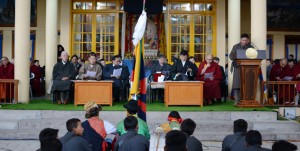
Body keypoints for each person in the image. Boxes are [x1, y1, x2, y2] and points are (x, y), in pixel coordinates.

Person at [229, 34, 253, 105]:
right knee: (237, 84)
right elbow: (231, 56)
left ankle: (247, 100)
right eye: (243, 40)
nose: (244, 42)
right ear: (240, 40)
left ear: (248, 40)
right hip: (237, 67)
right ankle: (237, 100)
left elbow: (255, 56)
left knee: (247, 85)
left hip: (248, 68)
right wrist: (235, 57)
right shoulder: (236, 46)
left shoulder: (251, 47)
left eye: (246, 40)